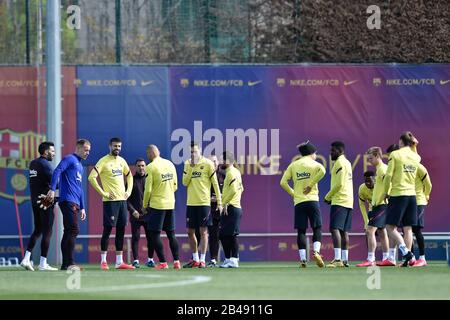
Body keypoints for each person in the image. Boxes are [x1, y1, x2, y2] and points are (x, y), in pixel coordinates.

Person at [88, 137, 134, 270]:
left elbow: (129, 175)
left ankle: (119, 262)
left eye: (119, 146)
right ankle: (103, 261)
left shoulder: (122, 161)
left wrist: (129, 191)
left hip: (122, 201)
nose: (117, 149)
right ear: (110, 146)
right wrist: (104, 193)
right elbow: (91, 177)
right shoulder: (103, 161)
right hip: (110, 202)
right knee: (107, 231)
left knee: (121, 231)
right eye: (115, 146)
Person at [46, 139, 90, 270]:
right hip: (67, 201)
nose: (88, 153)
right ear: (79, 148)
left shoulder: (80, 166)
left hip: (75, 203)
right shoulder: (70, 159)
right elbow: (57, 170)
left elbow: (80, 188)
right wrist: (52, 189)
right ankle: (69, 263)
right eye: (86, 150)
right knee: (73, 230)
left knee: (69, 231)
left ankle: (66, 264)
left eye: (89, 150)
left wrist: (82, 207)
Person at [280, 141, 326, 268]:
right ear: (311, 153)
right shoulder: (314, 164)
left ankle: (303, 260)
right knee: (317, 228)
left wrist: (293, 193)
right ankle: (316, 252)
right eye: (315, 153)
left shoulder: (294, 165)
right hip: (312, 201)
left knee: (301, 231)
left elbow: (283, 182)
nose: (316, 155)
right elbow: (322, 171)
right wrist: (311, 185)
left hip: (299, 202)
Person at [383, 131, 425, 267]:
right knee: (408, 229)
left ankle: (406, 252)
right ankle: (408, 259)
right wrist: (414, 144)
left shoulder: (395, 154)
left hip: (398, 194)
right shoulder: (416, 157)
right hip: (412, 196)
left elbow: (388, 176)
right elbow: (415, 153)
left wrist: (385, 192)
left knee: (389, 227)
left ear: (400, 142)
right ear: (411, 143)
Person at [182, 141, 222, 268]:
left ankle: (203, 260)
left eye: (195, 151)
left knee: (204, 231)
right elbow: (184, 182)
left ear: (200, 151)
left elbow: (215, 184)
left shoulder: (208, 163)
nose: (193, 154)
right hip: (191, 203)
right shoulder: (187, 164)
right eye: (191, 152)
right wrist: (192, 168)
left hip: (204, 203)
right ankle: (195, 259)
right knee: (189, 231)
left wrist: (220, 202)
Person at [20, 142, 57, 271]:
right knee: (47, 231)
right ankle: (43, 263)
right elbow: (55, 183)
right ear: (46, 152)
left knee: (38, 230)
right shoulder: (45, 164)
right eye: (52, 151)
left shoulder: (33, 163)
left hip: (35, 201)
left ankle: (26, 258)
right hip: (45, 202)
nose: (54, 153)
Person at [142, 145, 181, 270]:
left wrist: (144, 205)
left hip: (157, 204)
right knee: (171, 234)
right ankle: (176, 262)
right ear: (158, 152)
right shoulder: (170, 164)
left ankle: (163, 263)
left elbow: (147, 190)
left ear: (150, 153)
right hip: (170, 203)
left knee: (154, 233)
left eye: (148, 154)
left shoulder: (150, 167)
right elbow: (175, 186)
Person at [357, 147, 391, 267]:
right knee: (382, 232)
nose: (369, 161)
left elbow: (390, 183)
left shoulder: (382, 169)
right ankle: (387, 258)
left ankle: (370, 259)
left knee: (370, 231)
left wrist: (386, 195)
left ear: (377, 155)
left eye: (371, 158)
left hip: (381, 205)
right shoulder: (379, 170)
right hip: (379, 206)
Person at [324, 141, 353, 268]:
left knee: (334, 229)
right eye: (330, 151)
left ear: (340, 151)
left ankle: (337, 259)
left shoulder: (340, 163)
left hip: (340, 200)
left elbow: (340, 184)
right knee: (344, 231)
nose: (330, 153)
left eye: (333, 151)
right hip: (348, 200)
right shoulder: (347, 162)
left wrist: (328, 196)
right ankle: (345, 260)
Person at [127, 158, 155, 268]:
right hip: (136, 215)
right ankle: (136, 261)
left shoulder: (150, 179)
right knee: (136, 237)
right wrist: (133, 210)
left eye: (143, 165)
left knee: (151, 237)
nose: (141, 168)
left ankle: (150, 260)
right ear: (135, 167)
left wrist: (149, 209)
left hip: (148, 214)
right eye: (139, 166)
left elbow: (154, 196)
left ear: (146, 167)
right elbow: (126, 199)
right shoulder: (130, 180)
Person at [219, 151, 244, 268]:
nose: (220, 162)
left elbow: (234, 190)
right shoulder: (234, 172)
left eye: (222, 160)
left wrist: (225, 203)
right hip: (231, 206)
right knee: (224, 234)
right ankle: (228, 259)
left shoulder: (232, 172)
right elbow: (241, 189)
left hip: (232, 207)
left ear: (227, 161)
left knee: (232, 235)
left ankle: (234, 259)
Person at [411, 162, 432, 267]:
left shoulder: (419, 167)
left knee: (416, 229)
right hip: (407, 201)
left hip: (419, 201)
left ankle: (422, 258)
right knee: (407, 229)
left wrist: (426, 196)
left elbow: (428, 184)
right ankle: (411, 258)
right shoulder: (403, 166)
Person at [206, 155, 226, 267]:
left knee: (226, 235)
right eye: (210, 162)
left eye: (214, 161)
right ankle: (212, 259)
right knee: (213, 235)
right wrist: (210, 199)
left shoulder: (225, 174)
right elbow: (201, 193)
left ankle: (231, 258)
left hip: (224, 209)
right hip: (211, 210)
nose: (212, 164)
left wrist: (221, 198)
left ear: (218, 162)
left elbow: (234, 191)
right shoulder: (205, 175)